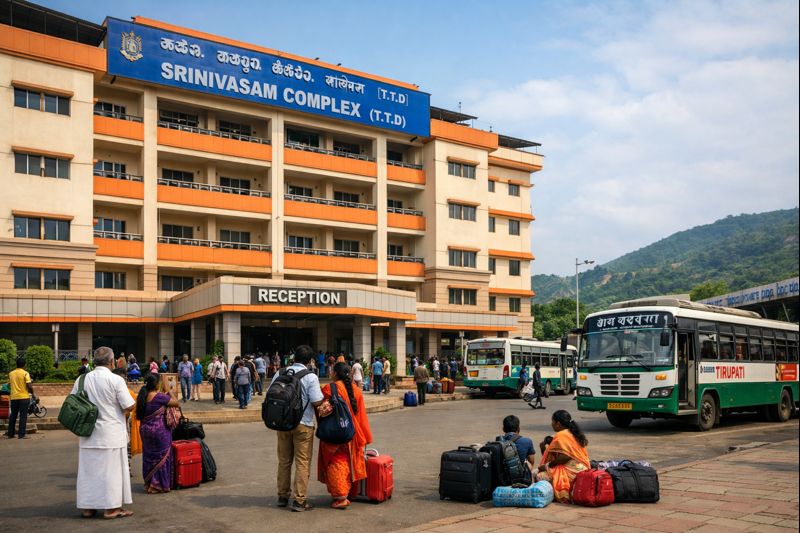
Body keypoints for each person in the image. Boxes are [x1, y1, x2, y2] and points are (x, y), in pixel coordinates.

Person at [72, 346, 136, 519]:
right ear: (111, 361)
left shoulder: (82, 380)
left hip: (88, 433)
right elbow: (129, 405)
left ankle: (88, 508)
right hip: (111, 433)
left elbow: (73, 402)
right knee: (111, 473)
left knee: (89, 472)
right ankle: (111, 509)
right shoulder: (115, 380)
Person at [270, 345, 324, 512]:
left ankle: (282, 496)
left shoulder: (280, 373)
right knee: (302, 462)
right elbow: (316, 401)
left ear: (294, 358)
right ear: (309, 361)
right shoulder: (311, 377)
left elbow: (270, 394)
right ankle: (299, 501)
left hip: (283, 423)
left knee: (284, 461)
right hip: (303, 424)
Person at [317, 362, 373, 509]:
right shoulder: (356, 390)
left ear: (335, 373)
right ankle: (344, 493)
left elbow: (321, 409)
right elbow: (361, 416)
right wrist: (365, 437)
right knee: (347, 463)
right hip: (352, 434)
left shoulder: (330, 388)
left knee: (336, 462)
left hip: (334, 433)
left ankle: (341, 497)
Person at [136, 373, 180, 493]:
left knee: (149, 456)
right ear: (157, 384)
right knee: (162, 456)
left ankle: (149, 483)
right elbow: (176, 403)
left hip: (145, 431)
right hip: (159, 431)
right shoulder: (159, 396)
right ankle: (158, 485)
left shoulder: (142, 396)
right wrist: (169, 391)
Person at [536, 410, 590, 503]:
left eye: (552, 421)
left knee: (538, 476)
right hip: (583, 468)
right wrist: (544, 448)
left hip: (572, 471)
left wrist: (546, 466)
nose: (551, 424)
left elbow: (565, 457)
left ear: (558, 423)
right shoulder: (573, 432)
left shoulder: (561, 435)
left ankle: (561, 494)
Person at [5, 357, 33, 440]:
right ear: (24, 365)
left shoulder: (11, 373)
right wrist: (33, 393)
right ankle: (21, 435)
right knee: (23, 416)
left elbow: (9, 385)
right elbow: (29, 385)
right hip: (24, 397)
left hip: (14, 397)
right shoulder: (25, 373)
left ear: (16, 364)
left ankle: (10, 434)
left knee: (13, 415)